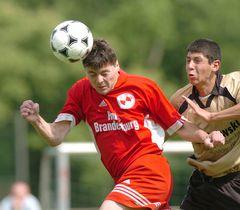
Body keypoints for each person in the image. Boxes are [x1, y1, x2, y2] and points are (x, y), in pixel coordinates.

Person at [20, 39, 224, 210]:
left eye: (105, 73)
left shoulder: (142, 87)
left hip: (150, 172)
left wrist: (206, 136)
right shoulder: (81, 92)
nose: (99, 80)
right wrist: (37, 120)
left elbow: (180, 126)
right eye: (92, 74)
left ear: (116, 66)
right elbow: (56, 136)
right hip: (122, 178)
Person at [170, 38, 240, 210]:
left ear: (215, 65)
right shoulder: (180, 101)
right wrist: (205, 137)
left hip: (236, 178)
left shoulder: (235, 83)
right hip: (204, 182)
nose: (190, 66)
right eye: (188, 61)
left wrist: (212, 117)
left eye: (197, 60)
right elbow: (180, 128)